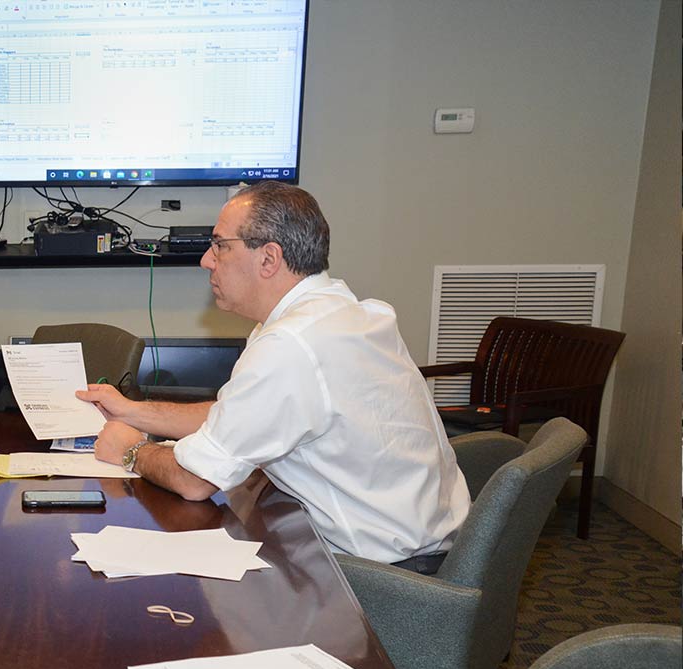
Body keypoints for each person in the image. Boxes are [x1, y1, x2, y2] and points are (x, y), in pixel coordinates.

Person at [80, 182, 469, 566]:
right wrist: (132, 410)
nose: (206, 260)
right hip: (427, 544)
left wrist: (132, 451)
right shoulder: (347, 313)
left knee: (195, 603)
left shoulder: (290, 344)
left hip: (377, 575)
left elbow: (193, 481)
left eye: (220, 245)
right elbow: (238, 416)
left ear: (268, 258)